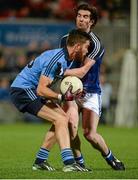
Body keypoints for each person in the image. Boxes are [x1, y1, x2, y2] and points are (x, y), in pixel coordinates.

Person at [36, 3, 125, 171]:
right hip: (71, 90)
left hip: (91, 92)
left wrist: (62, 71)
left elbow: (83, 71)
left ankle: (110, 157)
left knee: (90, 134)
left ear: (92, 21)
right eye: (79, 16)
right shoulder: (66, 39)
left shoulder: (96, 44)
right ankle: (79, 162)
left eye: (85, 17)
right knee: (70, 125)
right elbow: (60, 63)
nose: (81, 19)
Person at [9, 29, 92, 172]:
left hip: (32, 90)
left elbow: (49, 85)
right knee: (60, 119)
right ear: (77, 46)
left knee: (62, 119)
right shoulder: (58, 59)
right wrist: (61, 97)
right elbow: (41, 89)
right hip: (23, 90)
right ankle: (69, 163)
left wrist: (71, 93)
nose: (86, 51)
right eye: (86, 47)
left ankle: (40, 161)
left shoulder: (65, 60)